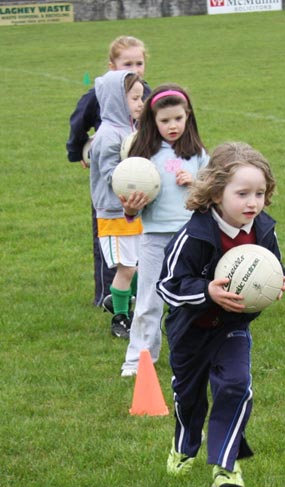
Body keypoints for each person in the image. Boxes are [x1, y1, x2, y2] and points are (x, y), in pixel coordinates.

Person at [156, 142, 285, 487]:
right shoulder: (192, 237)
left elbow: (275, 267)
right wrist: (207, 292)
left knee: (235, 386)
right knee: (190, 400)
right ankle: (184, 447)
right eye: (243, 193)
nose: (253, 202)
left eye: (260, 193)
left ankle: (226, 467)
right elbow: (168, 286)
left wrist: (278, 283)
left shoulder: (262, 230)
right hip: (191, 332)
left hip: (231, 328)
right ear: (216, 192)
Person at [120, 84, 209, 376]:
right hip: (154, 240)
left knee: (193, 299)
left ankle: (197, 354)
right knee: (148, 300)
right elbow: (131, 210)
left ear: (188, 117)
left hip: (191, 238)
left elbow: (213, 195)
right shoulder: (142, 156)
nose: (173, 126)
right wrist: (131, 209)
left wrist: (195, 182)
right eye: (165, 120)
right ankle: (138, 360)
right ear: (152, 121)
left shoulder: (197, 154)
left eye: (178, 119)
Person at [66, 35, 151, 307]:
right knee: (108, 241)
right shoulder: (98, 94)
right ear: (112, 66)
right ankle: (106, 294)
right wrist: (79, 150)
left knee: (136, 242)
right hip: (108, 180)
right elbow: (79, 123)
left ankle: (135, 294)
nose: (135, 69)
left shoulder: (145, 93)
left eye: (139, 63)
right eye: (128, 63)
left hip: (137, 181)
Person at [90, 70, 151, 338]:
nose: (140, 103)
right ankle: (120, 319)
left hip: (133, 209)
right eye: (135, 98)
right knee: (127, 268)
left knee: (138, 265)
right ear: (116, 100)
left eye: (141, 98)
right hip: (114, 213)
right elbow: (111, 174)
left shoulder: (132, 129)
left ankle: (116, 300)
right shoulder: (107, 136)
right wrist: (137, 182)